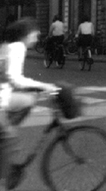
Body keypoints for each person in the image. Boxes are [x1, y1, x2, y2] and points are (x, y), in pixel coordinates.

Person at [0, 18, 59, 189]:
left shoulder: (9, 46)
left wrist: (35, 88)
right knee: (9, 139)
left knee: (29, 100)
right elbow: (15, 79)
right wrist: (44, 86)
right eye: (34, 34)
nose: (37, 38)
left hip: (3, 96)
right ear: (25, 34)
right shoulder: (17, 47)